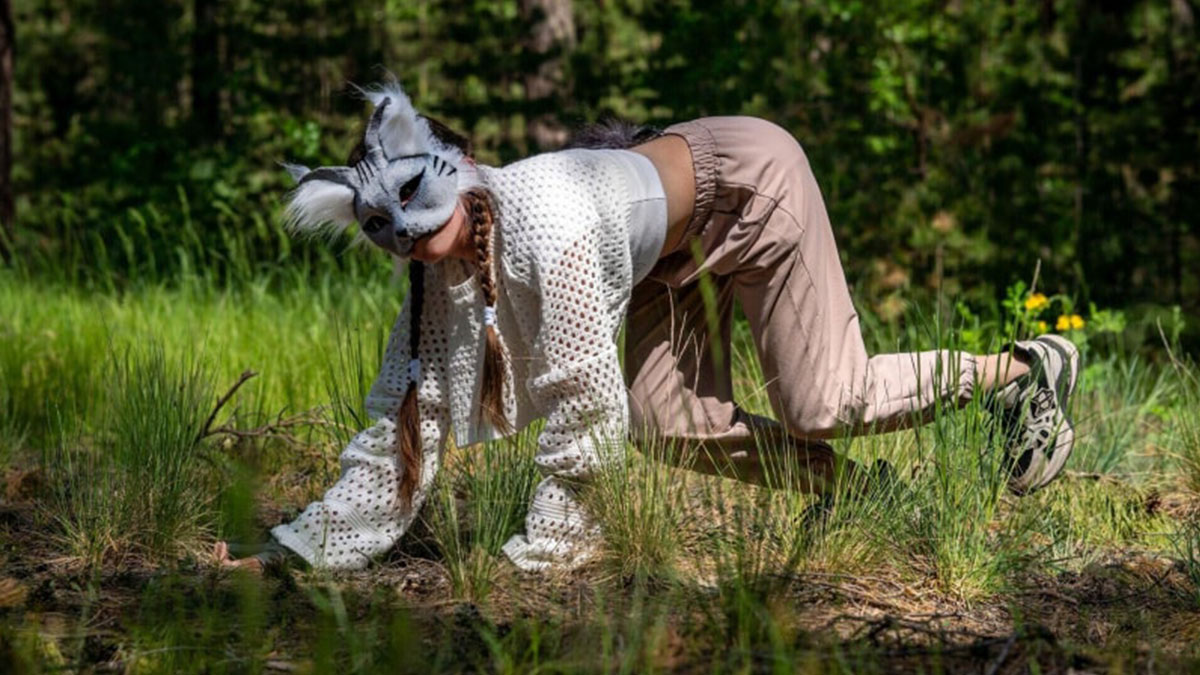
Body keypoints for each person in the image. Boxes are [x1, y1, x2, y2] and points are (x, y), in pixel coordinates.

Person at [214, 82, 1079, 573]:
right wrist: (301, 549)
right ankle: (863, 500)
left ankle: (1021, 369)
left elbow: (585, 406)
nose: (404, 235)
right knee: (669, 424)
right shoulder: (442, 264)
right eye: (380, 229)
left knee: (825, 399)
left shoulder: (547, 227)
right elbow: (408, 414)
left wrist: (545, 553)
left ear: (456, 170)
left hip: (744, 183)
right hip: (665, 249)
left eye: (412, 205)